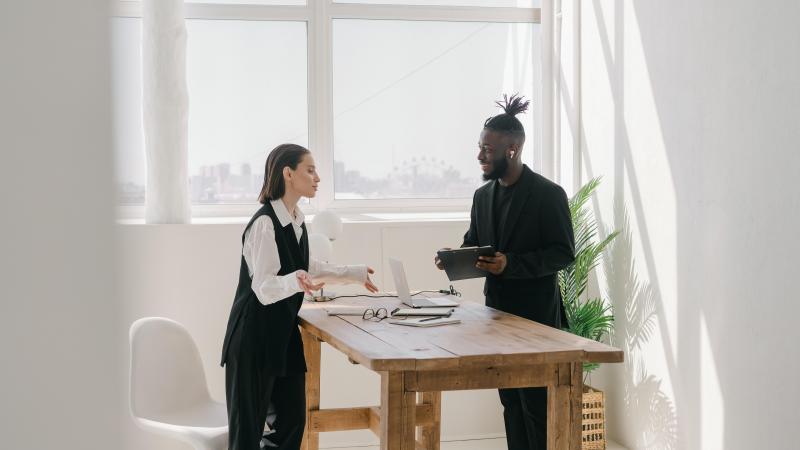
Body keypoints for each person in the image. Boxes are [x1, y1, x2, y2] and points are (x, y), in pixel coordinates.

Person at [435, 95, 575, 450]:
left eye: (486, 149)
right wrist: (455, 257)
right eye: (479, 147)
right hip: (495, 316)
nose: (480, 155)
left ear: (511, 150)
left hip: (538, 322)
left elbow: (563, 253)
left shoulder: (548, 195)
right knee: (510, 404)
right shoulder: (482, 196)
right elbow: (475, 243)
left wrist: (511, 264)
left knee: (537, 407)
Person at [221, 143, 378, 450]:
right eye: (310, 169)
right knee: (246, 436)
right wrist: (297, 280)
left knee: (293, 423)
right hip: (253, 341)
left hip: (282, 336)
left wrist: (354, 274)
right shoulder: (265, 224)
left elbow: (305, 266)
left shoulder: (297, 220)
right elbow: (264, 288)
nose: (317, 177)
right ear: (288, 173)